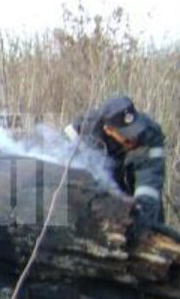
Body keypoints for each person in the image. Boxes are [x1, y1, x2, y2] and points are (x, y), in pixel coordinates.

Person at [64, 95, 165, 226]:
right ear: (109, 130)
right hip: (99, 198)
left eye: (135, 129)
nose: (134, 137)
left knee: (149, 216)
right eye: (127, 135)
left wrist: (144, 214)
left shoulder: (149, 133)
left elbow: (149, 180)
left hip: (133, 186)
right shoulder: (81, 133)